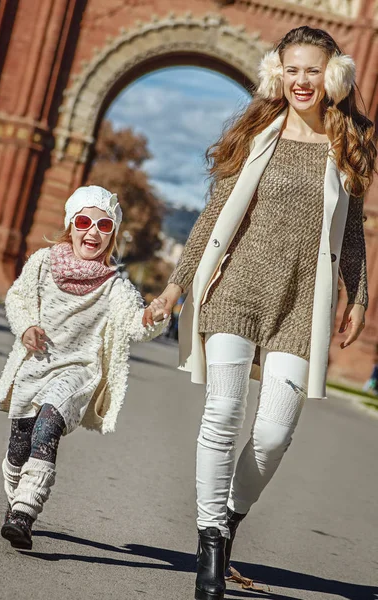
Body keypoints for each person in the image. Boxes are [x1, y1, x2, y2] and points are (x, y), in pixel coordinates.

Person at [147, 26, 376, 600]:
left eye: (313, 70)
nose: (302, 81)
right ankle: (209, 546)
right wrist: (178, 286)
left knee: (274, 432)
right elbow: (212, 216)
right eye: (292, 69)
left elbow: (353, 233)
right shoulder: (255, 133)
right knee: (222, 414)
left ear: (335, 76)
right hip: (237, 291)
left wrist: (360, 295)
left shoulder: (352, 143)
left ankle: (228, 517)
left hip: (303, 302)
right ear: (279, 72)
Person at [0, 185, 167, 550]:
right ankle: (16, 496)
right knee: (19, 445)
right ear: (71, 225)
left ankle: (25, 512)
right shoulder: (43, 262)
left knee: (49, 424)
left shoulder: (114, 286)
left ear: (113, 235)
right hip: (36, 364)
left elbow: (134, 322)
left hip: (78, 371)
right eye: (85, 221)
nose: (93, 232)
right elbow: (18, 297)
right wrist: (25, 327)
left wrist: (152, 316)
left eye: (104, 226)